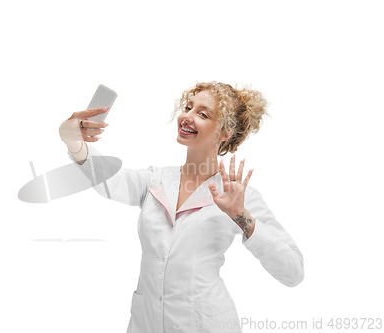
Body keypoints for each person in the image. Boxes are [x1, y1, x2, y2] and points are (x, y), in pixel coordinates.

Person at [59, 81, 304, 333]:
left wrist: (241, 216)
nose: (187, 116)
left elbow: (293, 272)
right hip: (146, 324)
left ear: (225, 133)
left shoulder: (239, 195)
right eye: (188, 107)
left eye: (202, 113)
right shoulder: (155, 180)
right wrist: (75, 144)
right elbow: (111, 179)